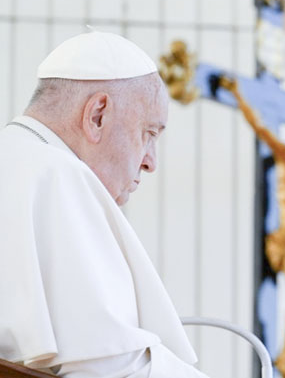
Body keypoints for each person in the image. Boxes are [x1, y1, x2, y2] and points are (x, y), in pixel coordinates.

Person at [0, 31, 209, 378]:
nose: (150, 162)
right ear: (97, 115)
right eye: (149, 133)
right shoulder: (56, 176)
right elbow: (111, 368)